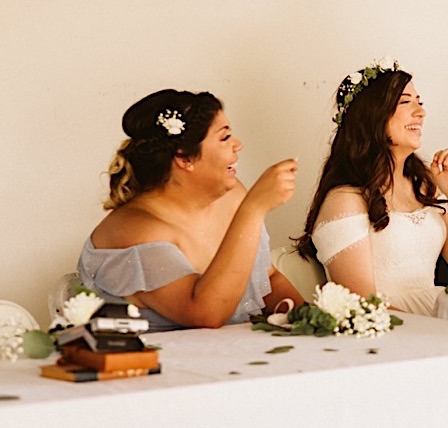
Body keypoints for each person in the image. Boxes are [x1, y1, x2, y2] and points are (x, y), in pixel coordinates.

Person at [79, 89, 302, 331]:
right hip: (154, 365)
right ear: (185, 158)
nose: (238, 145)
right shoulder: (135, 232)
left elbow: (268, 279)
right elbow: (206, 314)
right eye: (225, 138)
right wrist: (254, 208)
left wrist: (316, 323)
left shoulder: (232, 196)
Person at [295, 61, 448, 316]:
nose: (421, 112)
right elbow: (363, 304)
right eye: (406, 102)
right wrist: (439, 330)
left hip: (436, 314)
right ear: (372, 115)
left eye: (420, 102)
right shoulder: (345, 200)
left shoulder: (425, 187)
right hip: (391, 328)